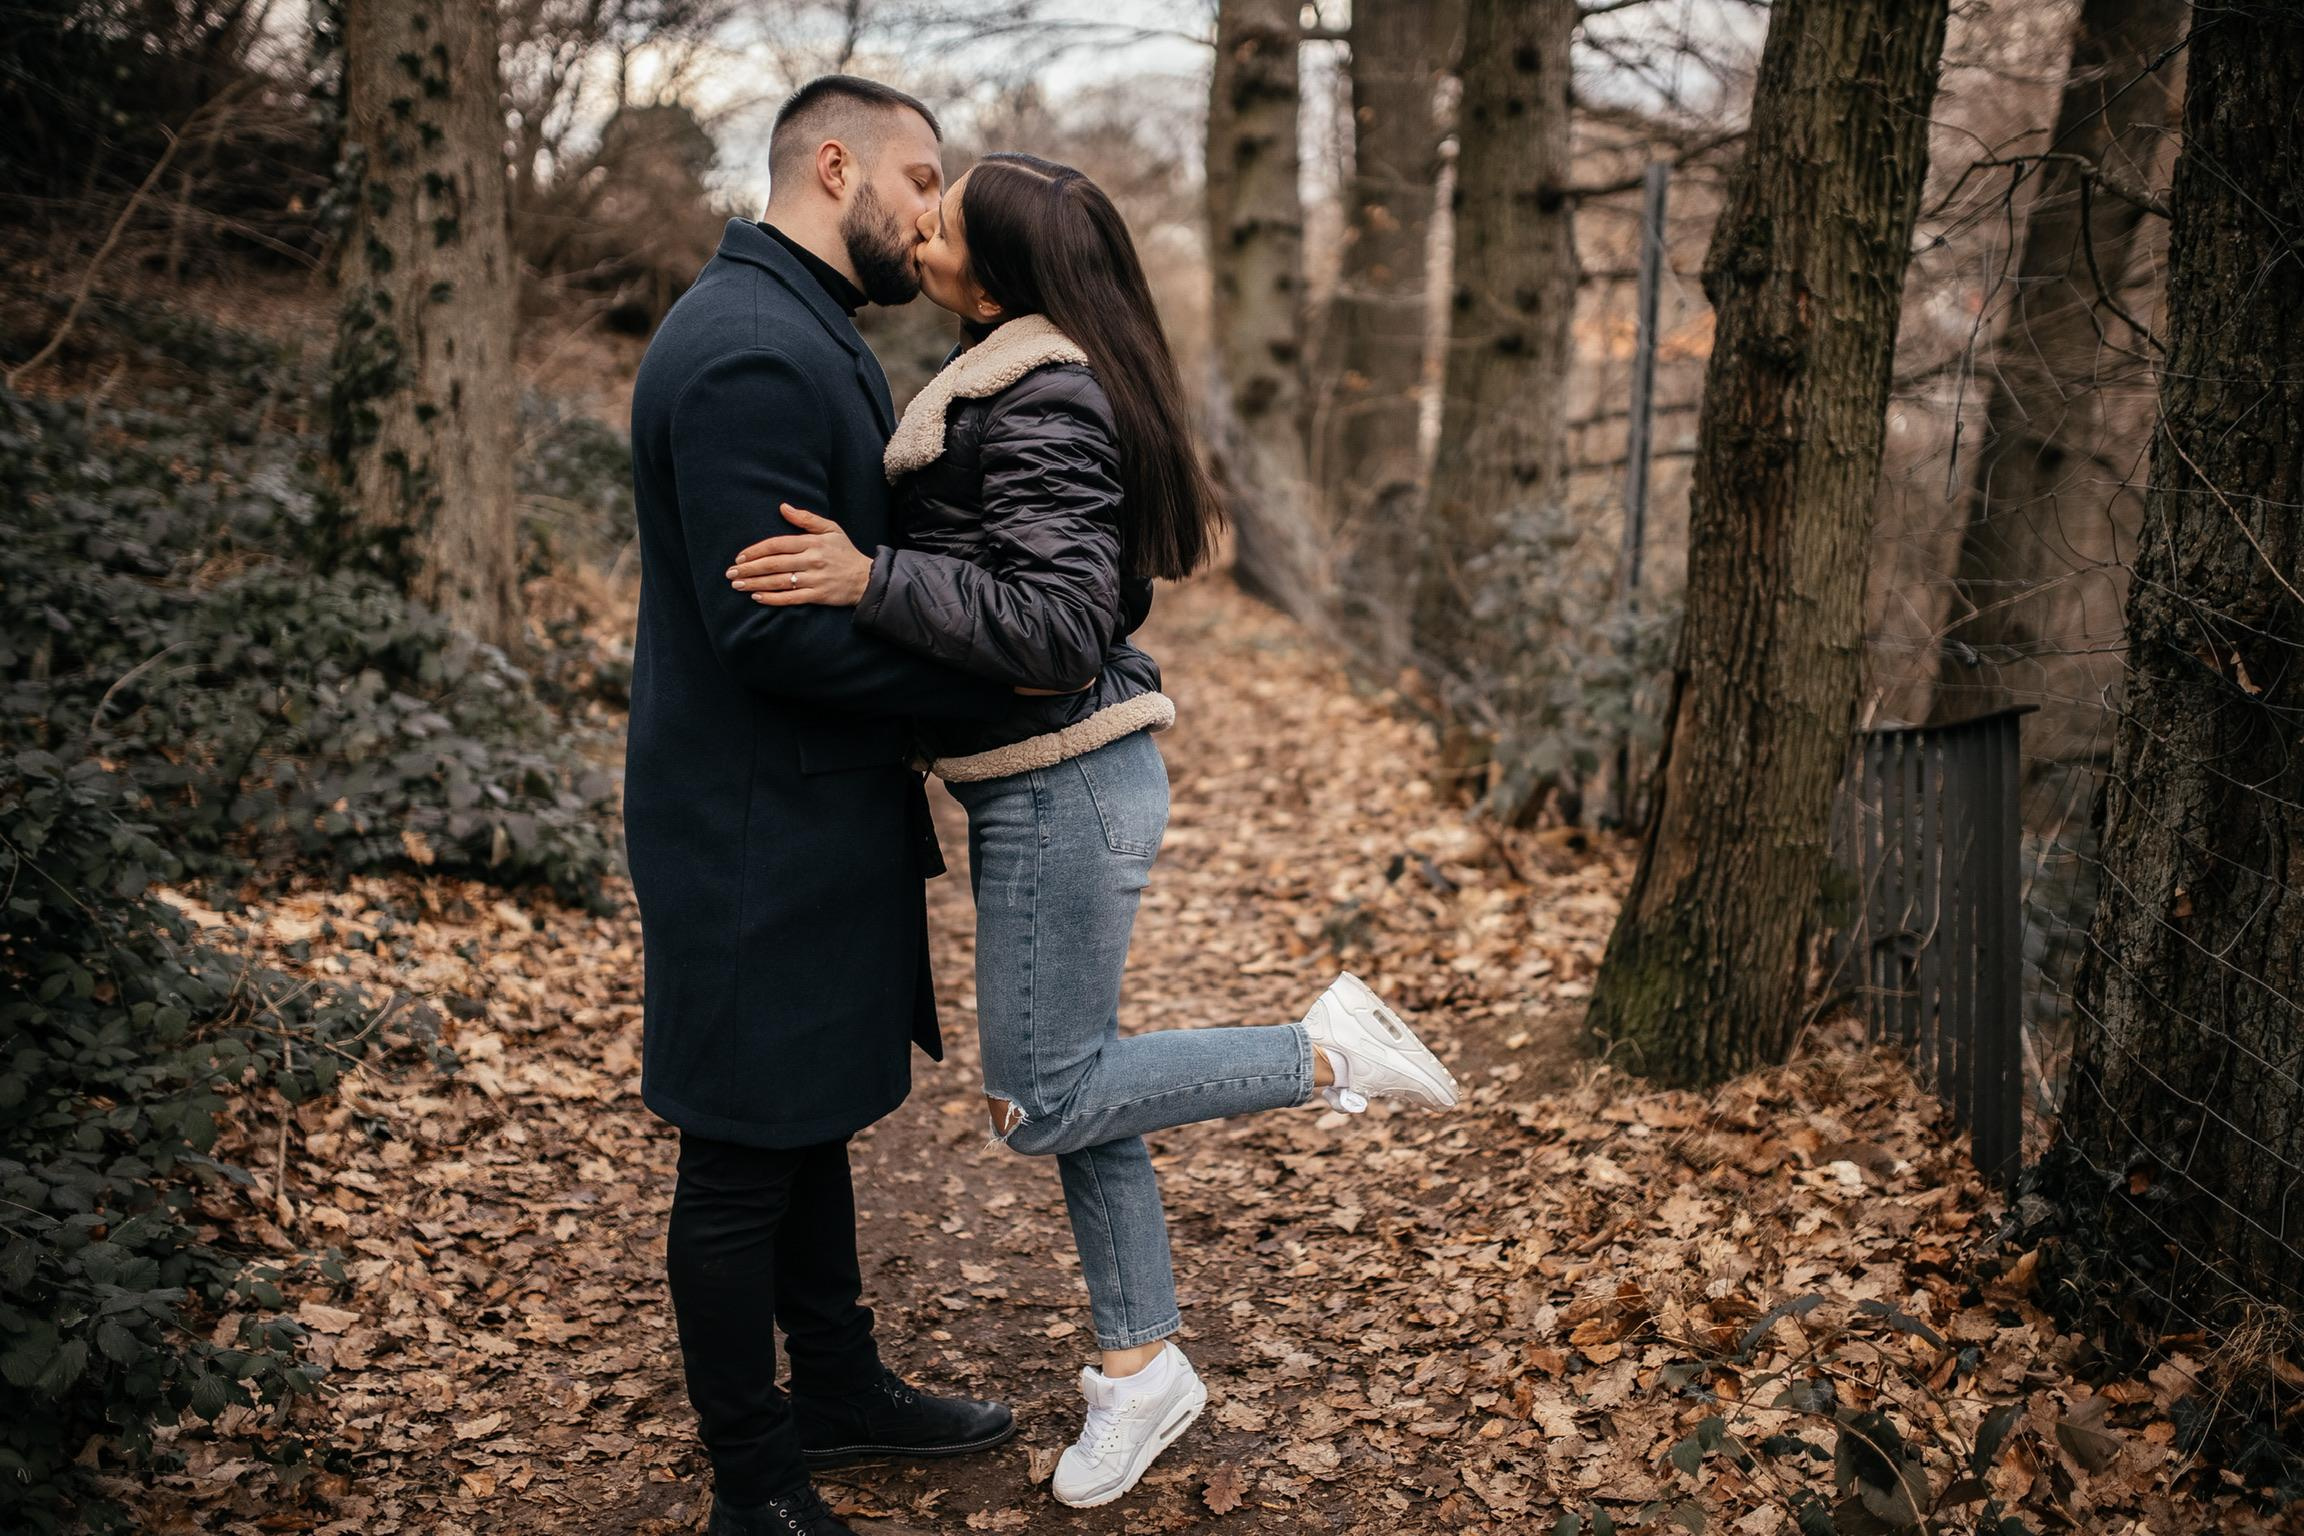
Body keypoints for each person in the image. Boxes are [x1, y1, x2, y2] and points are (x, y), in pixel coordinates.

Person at [720, 150, 1463, 1511]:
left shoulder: (1043, 392)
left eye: (945, 220)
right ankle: (1140, 1366)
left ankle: (1320, 1053)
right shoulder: (1011, 374)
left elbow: (1058, 629)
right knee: (1086, 1081)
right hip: (1042, 781)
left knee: (1044, 1097)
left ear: (995, 278)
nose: (919, 224)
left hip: (1067, 782)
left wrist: (870, 577)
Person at [624, 77, 1045, 1536]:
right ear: (832, 165)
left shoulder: (804, 326)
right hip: (751, 829)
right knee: (742, 1153)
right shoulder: (748, 349)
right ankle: (755, 1479)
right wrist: (981, 684)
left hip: (806, 809)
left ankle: (844, 1391)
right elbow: (765, 629)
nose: (934, 215)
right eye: (921, 180)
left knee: (803, 1121)